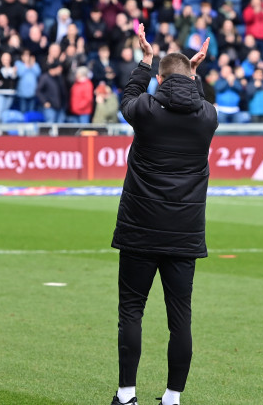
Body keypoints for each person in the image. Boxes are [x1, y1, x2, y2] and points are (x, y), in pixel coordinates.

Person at [110, 25, 216, 405]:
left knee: (131, 313)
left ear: (159, 80)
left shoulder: (147, 112)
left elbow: (129, 96)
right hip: (184, 235)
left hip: (140, 230)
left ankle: (126, 396)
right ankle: (172, 398)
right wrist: (193, 72)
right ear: (192, 77)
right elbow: (196, 100)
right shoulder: (208, 117)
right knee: (180, 319)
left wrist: (145, 57)